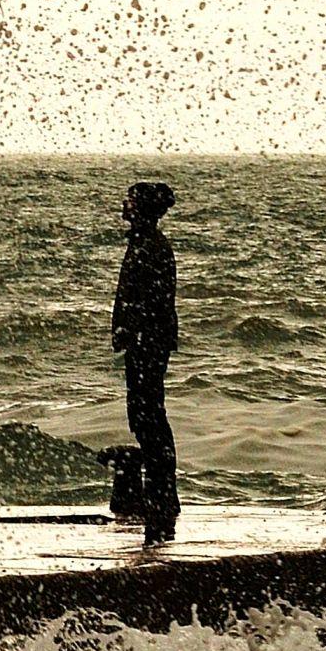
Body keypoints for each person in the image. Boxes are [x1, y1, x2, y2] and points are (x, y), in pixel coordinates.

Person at [111, 181, 178, 544]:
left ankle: (162, 496)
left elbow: (154, 302)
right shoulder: (144, 243)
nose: (125, 206)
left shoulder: (152, 247)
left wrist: (137, 334)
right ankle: (162, 494)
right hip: (143, 344)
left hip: (148, 345)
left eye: (131, 201)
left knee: (149, 417)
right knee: (143, 416)